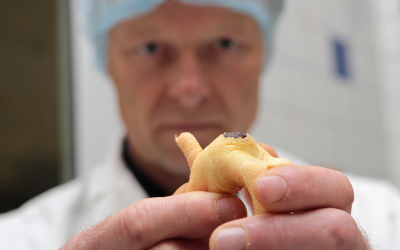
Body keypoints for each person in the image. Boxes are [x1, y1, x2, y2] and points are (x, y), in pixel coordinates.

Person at [1, 0, 400, 249]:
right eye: (151, 48)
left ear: (263, 52)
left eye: (224, 44)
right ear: (108, 62)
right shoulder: (19, 240)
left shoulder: (384, 220)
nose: (189, 89)